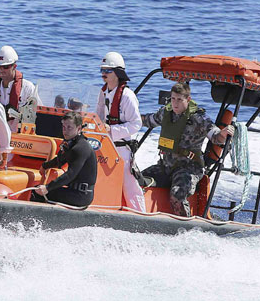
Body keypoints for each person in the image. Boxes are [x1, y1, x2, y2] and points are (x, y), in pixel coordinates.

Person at [140, 81, 234, 217]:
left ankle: (185, 227)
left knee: (177, 194)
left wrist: (223, 133)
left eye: (179, 99)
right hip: (166, 166)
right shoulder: (166, 113)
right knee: (137, 180)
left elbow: (215, 137)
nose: (175, 103)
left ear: (188, 99)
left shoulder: (199, 118)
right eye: (173, 99)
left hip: (189, 169)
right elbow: (148, 120)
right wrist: (127, 116)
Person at [96, 51, 145, 212]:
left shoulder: (127, 96)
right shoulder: (103, 93)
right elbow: (98, 117)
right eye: (102, 70)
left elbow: (136, 124)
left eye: (107, 70)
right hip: (104, 146)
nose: (103, 73)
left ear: (117, 73)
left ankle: (140, 216)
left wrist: (113, 130)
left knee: (130, 186)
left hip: (122, 149)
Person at [31, 111, 97, 207]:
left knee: (37, 193)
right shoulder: (71, 144)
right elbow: (59, 160)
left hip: (81, 195)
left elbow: (70, 175)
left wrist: (48, 188)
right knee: (38, 189)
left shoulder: (81, 148)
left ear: (79, 128)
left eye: (69, 127)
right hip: (73, 191)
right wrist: (45, 166)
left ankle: (35, 221)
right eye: (63, 127)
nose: (65, 131)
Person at [0, 45, 41, 132]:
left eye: (6, 67)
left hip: (20, 135)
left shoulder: (27, 88)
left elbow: (39, 110)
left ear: (14, 66)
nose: (2, 70)